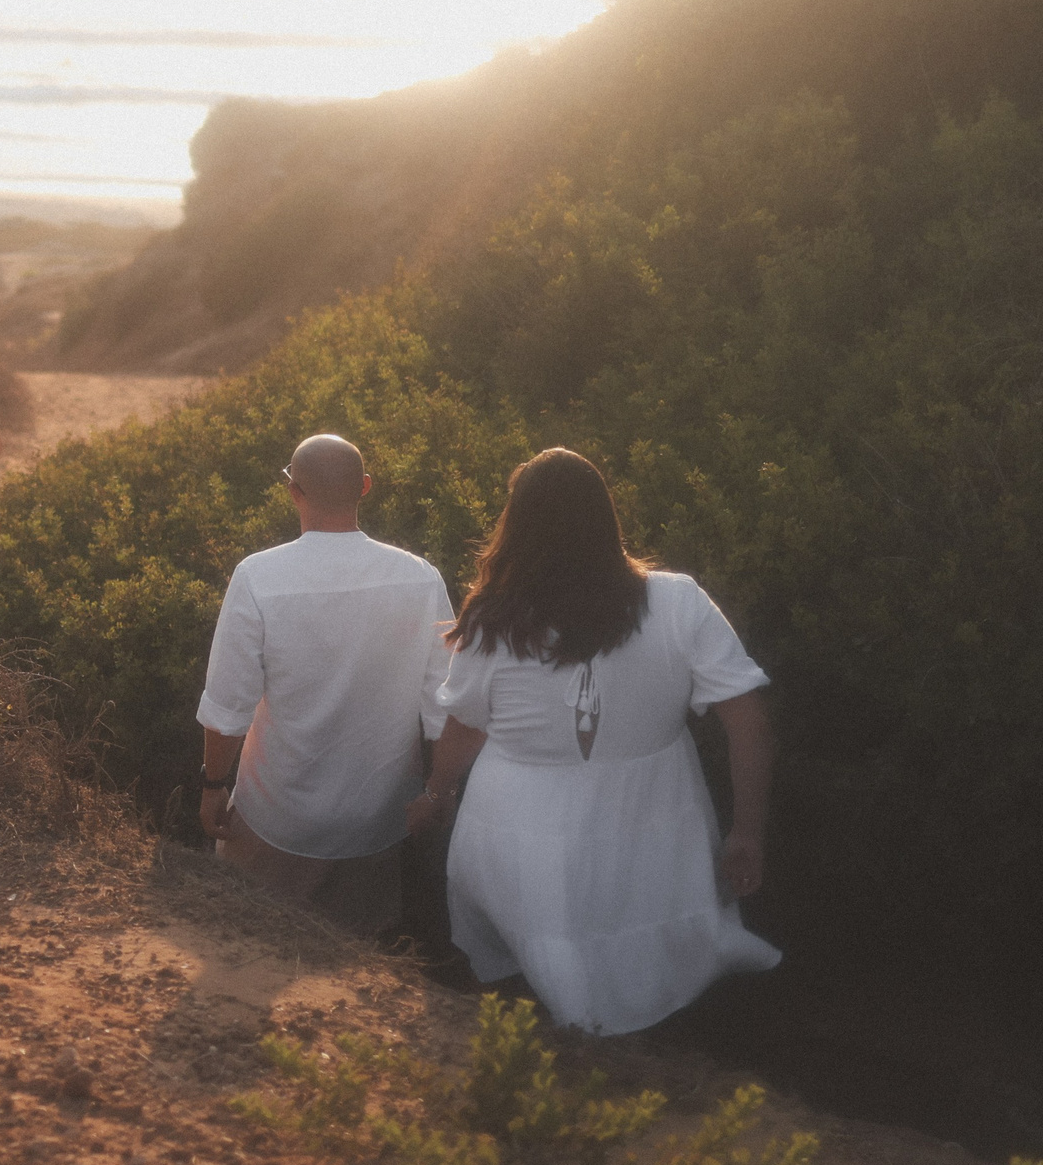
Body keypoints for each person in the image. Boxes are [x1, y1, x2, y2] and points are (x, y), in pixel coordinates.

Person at [409, 447, 780, 1035]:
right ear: (606, 516)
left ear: (517, 524)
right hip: (655, 816)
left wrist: (434, 794)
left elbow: (464, 727)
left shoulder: (493, 620)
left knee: (531, 967)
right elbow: (748, 719)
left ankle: (545, 1044)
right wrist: (748, 829)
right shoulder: (679, 601)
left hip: (520, 824)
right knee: (647, 948)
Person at [196, 433, 453, 935]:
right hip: (377, 821)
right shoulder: (422, 579)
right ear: (365, 487)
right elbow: (445, 707)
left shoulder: (258, 577)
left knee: (249, 950)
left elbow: (229, 708)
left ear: (294, 491)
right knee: (356, 973)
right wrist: (437, 794)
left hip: (276, 815)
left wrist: (211, 786)